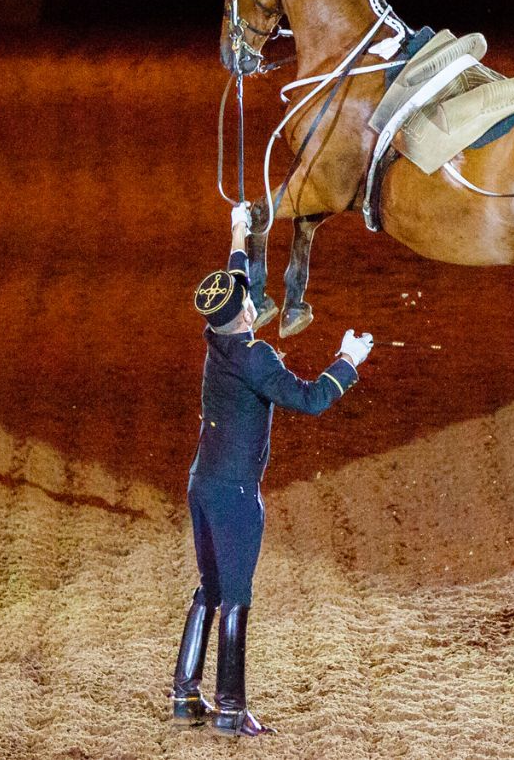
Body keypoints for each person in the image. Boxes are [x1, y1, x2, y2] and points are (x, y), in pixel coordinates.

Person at [170, 202, 373, 736]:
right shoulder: (257, 360)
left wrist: (239, 225)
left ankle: (185, 696)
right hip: (237, 495)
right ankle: (231, 709)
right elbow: (308, 400)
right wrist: (347, 361)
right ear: (244, 314)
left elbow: (235, 277)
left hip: (202, 484)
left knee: (208, 590)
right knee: (236, 599)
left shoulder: (216, 339)